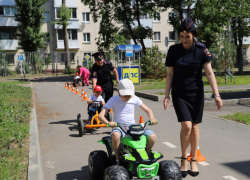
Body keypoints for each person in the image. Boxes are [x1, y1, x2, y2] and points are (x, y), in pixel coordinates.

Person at [163, 18, 223, 178]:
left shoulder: (202, 50)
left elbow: (209, 73)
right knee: (187, 126)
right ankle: (184, 158)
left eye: (187, 36)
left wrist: (216, 94)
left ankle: (193, 160)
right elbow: (170, 74)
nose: (184, 40)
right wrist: (166, 94)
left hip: (196, 93)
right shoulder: (173, 50)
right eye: (182, 36)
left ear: (194, 35)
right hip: (179, 93)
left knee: (195, 127)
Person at [99, 79, 158, 165]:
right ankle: (117, 159)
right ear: (118, 91)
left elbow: (148, 110)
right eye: (125, 95)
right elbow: (100, 116)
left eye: (129, 95)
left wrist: (152, 118)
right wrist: (108, 123)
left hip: (133, 126)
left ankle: (145, 154)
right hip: (118, 126)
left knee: (152, 136)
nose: (127, 97)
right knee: (115, 135)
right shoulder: (113, 100)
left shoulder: (134, 98)